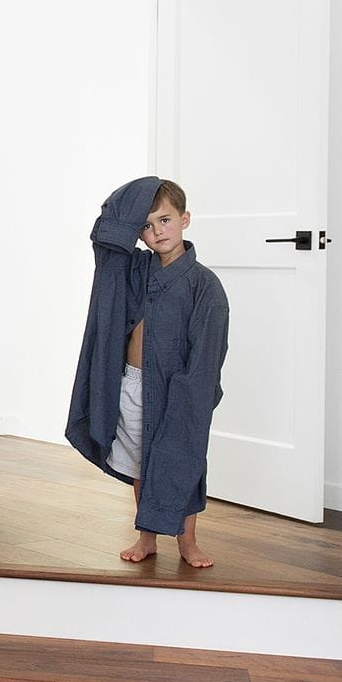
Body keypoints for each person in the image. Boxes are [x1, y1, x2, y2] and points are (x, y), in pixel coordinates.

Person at [65, 177, 230, 567]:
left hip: (178, 391)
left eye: (166, 220)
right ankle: (147, 537)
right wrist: (145, 189)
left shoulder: (205, 287)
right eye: (147, 225)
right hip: (132, 385)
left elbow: (208, 354)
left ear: (185, 219)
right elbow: (107, 239)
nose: (158, 232)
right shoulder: (137, 270)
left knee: (180, 462)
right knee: (142, 465)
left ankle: (187, 542)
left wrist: (192, 398)